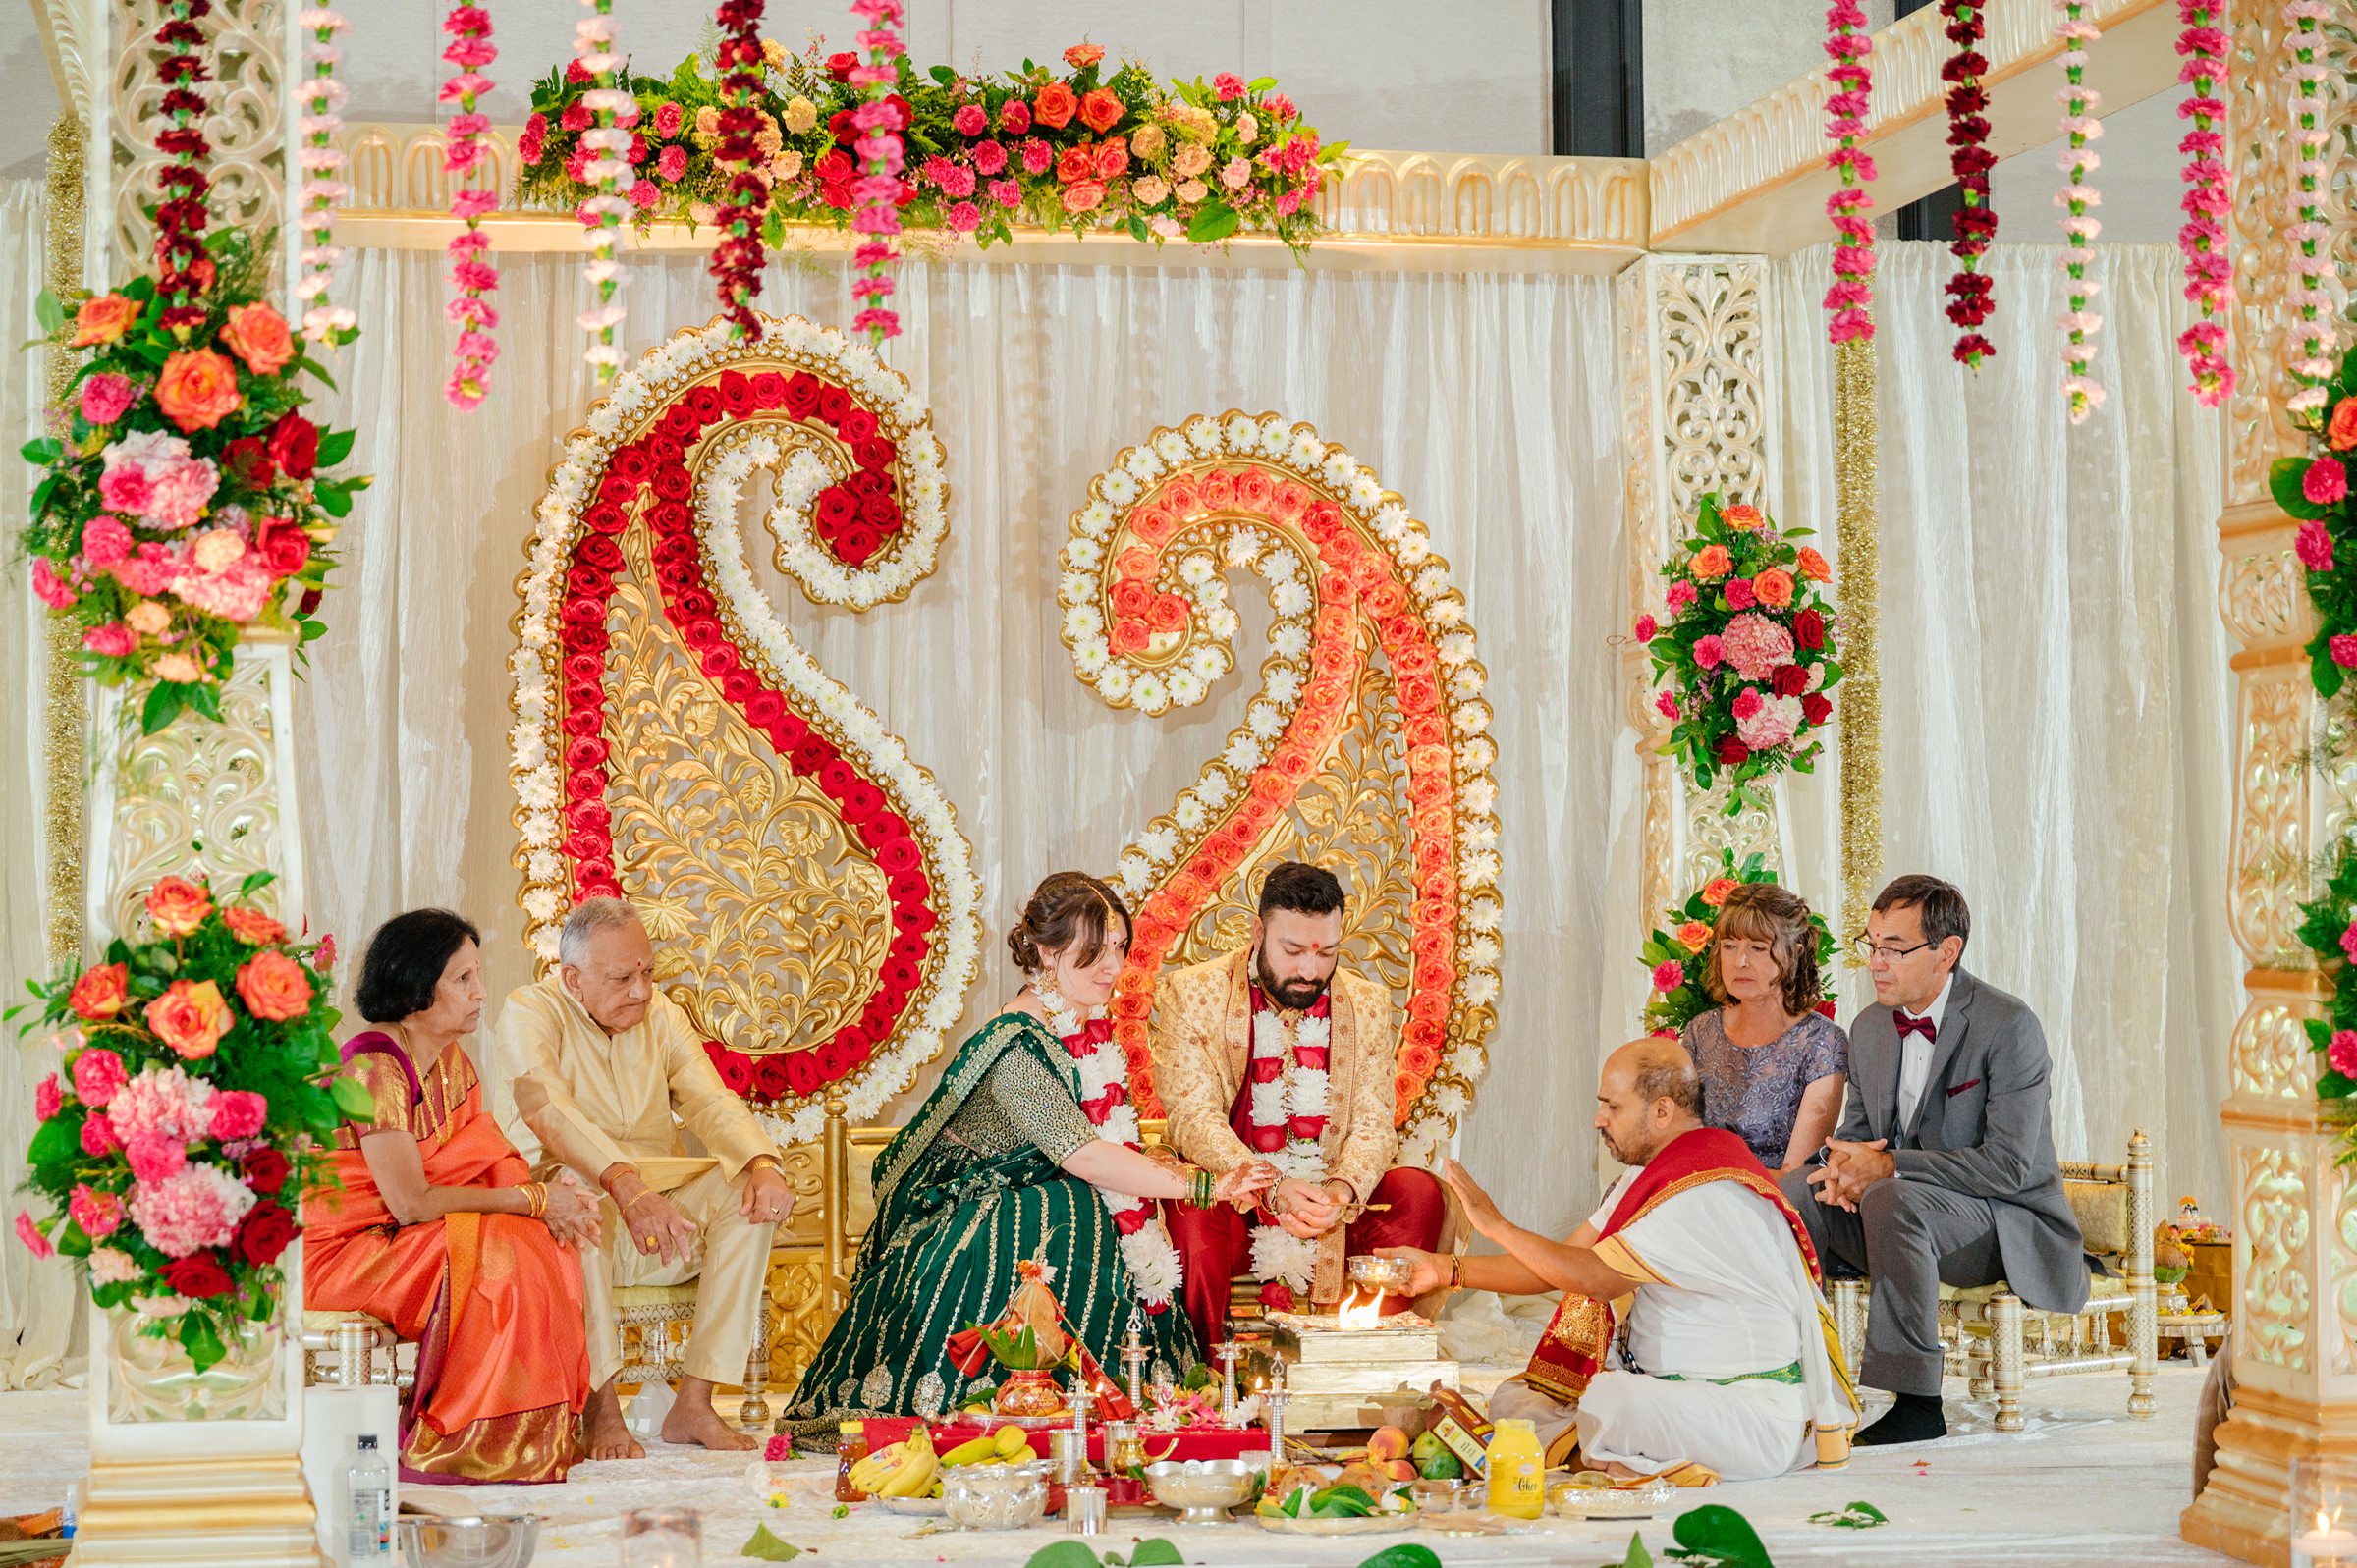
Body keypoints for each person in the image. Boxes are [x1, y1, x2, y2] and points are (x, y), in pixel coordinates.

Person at [777, 873, 1275, 1437]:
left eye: (1117, 949)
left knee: (1083, 1203)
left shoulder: (1080, 1028)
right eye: (1093, 953)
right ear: (1045, 951)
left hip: (1036, 1193)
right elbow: (1082, 1153)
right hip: (967, 1219)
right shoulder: (1016, 1041)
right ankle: (1038, 1400)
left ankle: (1109, 1397)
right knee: (1067, 1208)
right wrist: (1206, 1185)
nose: (1113, 967)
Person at [1380, 1040, 1855, 1484]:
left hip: (1746, 1412)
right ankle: (1584, 1453)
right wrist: (1444, 1270)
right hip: (1672, 1393)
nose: (1597, 1119)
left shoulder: (1707, 1190)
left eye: (1612, 1106)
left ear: (1662, 1110)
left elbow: (1595, 1279)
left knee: (1610, 1402)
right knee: (1518, 1397)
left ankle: (1581, 1459)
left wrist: (1496, 1225)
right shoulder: (1652, 1177)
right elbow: (1559, 1263)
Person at [1781, 874, 2086, 1447]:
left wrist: (1890, 1168)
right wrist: (1844, 1170)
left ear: (1948, 951)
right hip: (1907, 1216)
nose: (1876, 962)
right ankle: (1793, 1375)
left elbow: (2007, 1166)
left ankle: (1918, 1402)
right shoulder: (1870, 1027)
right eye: (1871, 945)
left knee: (1895, 1197)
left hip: (2000, 1222)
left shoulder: (2009, 1025)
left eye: (1894, 948)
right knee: (1801, 1191)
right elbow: (1859, 1136)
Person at [496, 897, 797, 1459]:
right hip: (573, 1217)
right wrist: (627, 1188)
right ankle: (602, 1411)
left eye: (647, 973)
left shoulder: (662, 1015)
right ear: (572, 979)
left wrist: (762, 1164)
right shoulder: (530, 1011)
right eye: (620, 978)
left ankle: (695, 1402)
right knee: (575, 1194)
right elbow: (547, 1110)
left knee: (747, 1198)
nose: (640, 990)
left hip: (663, 1219)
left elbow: (709, 1100)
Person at [308, 910, 600, 1483]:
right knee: (504, 1248)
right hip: (348, 1250)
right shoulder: (374, 1067)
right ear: (417, 989)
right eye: (463, 979)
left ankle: (521, 1431)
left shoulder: (451, 1063)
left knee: (535, 1241)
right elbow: (410, 1204)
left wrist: (547, 1192)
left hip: (401, 1239)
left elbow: (480, 1160)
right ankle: (464, 1434)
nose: (481, 992)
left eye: (478, 975)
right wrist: (532, 1201)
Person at [1150, 861, 1448, 1354]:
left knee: (1415, 1193)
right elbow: (1191, 1116)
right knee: (1190, 1206)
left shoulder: (1366, 1002)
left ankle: (1370, 1356)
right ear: (1258, 931)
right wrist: (1272, 1186)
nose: (1310, 971)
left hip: (1327, 1203)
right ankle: (1204, 1368)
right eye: (1292, 951)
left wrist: (1338, 1191)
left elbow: (1375, 1122)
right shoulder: (1194, 993)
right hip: (1237, 1201)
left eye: (1326, 952)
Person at [1682, 882, 1848, 1177]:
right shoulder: (1701, 1030)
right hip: (1694, 1190)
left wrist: (1711, 1184)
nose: (1740, 962)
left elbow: (1797, 1177)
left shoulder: (1822, 1042)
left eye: (1757, 948)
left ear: (1795, 952)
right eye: (1729, 946)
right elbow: (1677, 1139)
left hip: (1769, 1205)